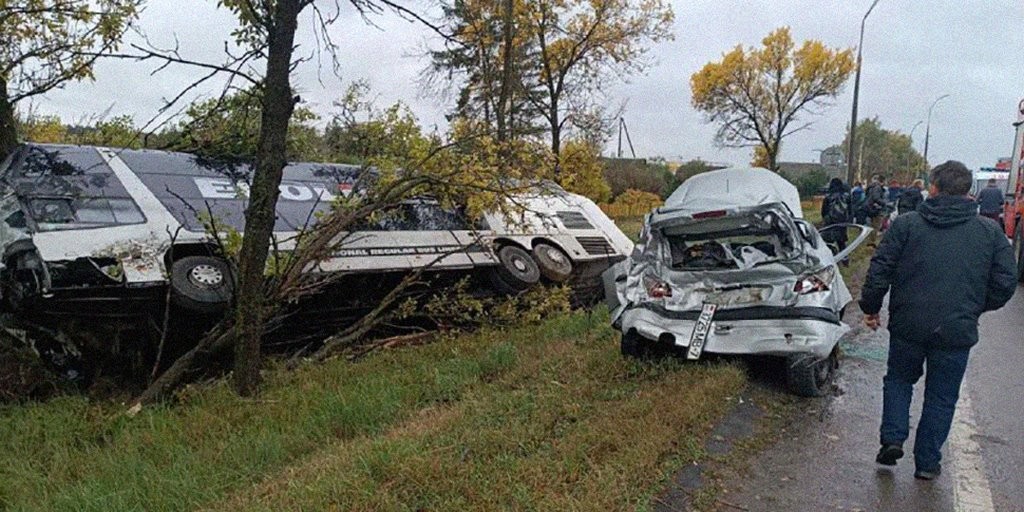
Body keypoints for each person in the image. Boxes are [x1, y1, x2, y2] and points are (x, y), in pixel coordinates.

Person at [860, 161, 1017, 480]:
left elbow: (880, 270)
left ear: (933, 188)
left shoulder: (906, 225)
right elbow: (1006, 281)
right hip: (956, 330)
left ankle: (892, 438)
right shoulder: (988, 232)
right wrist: (975, 308)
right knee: (942, 396)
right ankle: (928, 463)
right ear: (968, 191)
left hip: (909, 324)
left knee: (899, 380)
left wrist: (871, 307)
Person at [820, 177, 851, 256]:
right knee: (841, 243)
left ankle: (830, 258)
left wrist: (826, 219)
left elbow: (823, 211)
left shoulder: (828, 197)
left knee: (827, 242)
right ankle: (845, 260)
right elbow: (850, 210)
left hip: (830, 222)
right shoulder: (847, 196)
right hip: (842, 223)